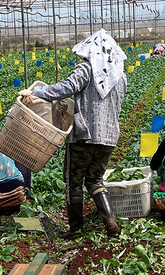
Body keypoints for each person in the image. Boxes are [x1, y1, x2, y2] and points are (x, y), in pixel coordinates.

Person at [19, 29, 127, 238]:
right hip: (109, 137)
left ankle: (76, 228)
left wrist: (36, 93)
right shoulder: (119, 76)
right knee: (95, 180)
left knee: (73, 180)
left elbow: (66, 88)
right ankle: (110, 221)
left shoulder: (86, 70)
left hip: (84, 136)